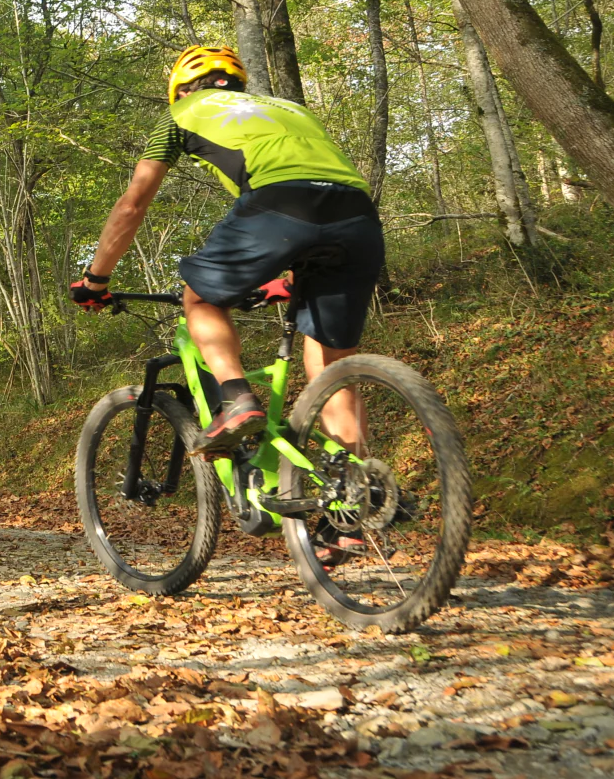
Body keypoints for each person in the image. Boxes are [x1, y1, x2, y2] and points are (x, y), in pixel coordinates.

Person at [69, 45, 384, 561]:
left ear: (181, 88)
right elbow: (315, 187)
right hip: (356, 216)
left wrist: (96, 278)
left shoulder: (178, 117)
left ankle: (237, 402)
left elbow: (133, 203)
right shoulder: (290, 108)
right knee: (330, 363)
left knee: (200, 295)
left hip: (280, 206)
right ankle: (348, 511)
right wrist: (287, 273)